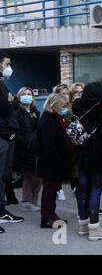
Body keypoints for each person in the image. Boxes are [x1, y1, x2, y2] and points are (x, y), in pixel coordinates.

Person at [72, 82, 102, 241]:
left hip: (80, 153)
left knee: (82, 188)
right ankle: (94, 227)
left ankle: (83, 224)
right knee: (95, 189)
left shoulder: (76, 105)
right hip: (96, 153)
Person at [37, 93, 69, 228]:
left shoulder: (54, 118)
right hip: (50, 163)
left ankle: (51, 214)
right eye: (63, 105)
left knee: (53, 190)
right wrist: (57, 162)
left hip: (55, 162)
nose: (65, 107)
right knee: (49, 191)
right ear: (54, 105)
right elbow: (48, 145)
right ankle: (46, 218)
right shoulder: (48, 120)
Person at [0, 52, 24, 231]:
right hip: (2, 134)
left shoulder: (2, 84)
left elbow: (11, 103)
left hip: (6, 133)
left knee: (4, 175)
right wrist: (12, 102)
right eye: (7, 64)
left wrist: (12, 101)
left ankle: (2, 211)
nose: (9, 67)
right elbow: (7, 109)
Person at [13, 87, 42, 212]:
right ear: (19, 97)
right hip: (24, 148)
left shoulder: (35, 111)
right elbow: (16, 130)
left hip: (35, 148)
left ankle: (30, 201)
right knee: (32, 175)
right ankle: (27, 201)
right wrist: (25, 143)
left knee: (34, 175)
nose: (26, 96)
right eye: (24, 94)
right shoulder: (17, 112)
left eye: (29, 94)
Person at [53, 83, 71, 202]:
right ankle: (58, 189)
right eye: (62, 94)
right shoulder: (56, 109)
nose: (65, 96)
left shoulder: (71, 108)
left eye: (67, 94)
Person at [68, 83, 85, 194]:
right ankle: (76, 187)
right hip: (73, 142)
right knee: (75, 168)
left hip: (84, 142)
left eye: (81, 92)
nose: (78, 94)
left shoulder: (86, 107)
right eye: (76, 92)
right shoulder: (69, 108)